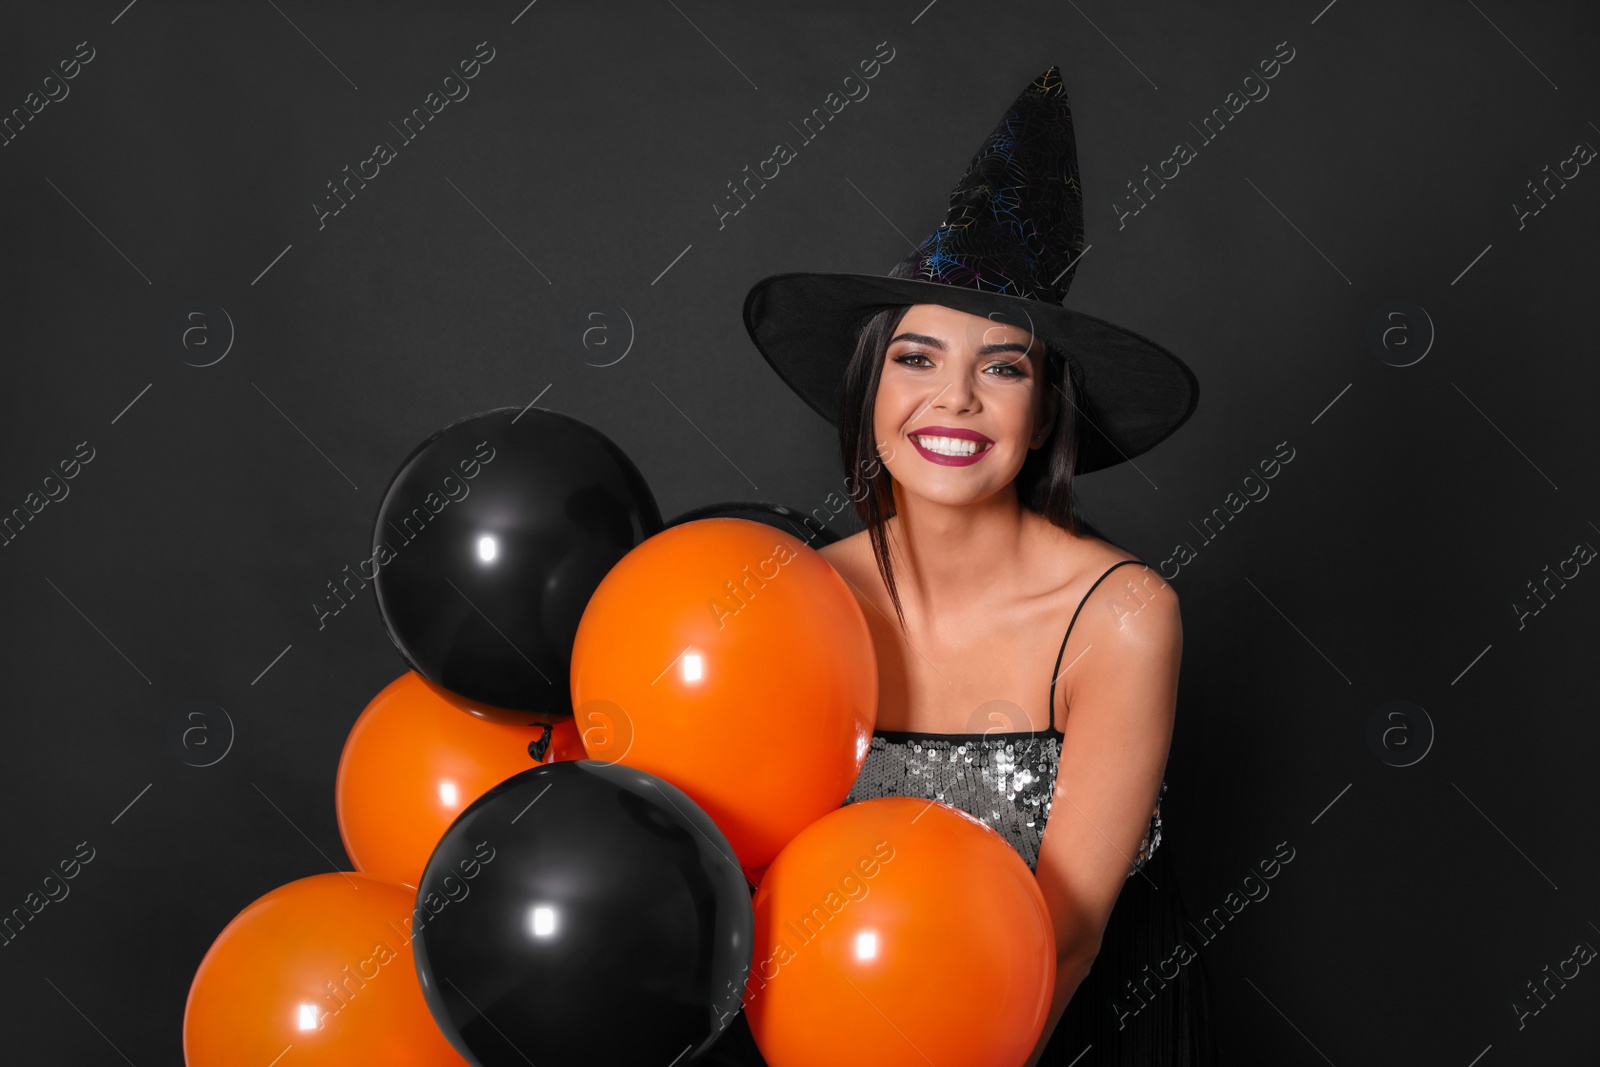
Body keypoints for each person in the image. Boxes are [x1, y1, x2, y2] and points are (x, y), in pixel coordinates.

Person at [709, 66, 1218, 1066]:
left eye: (1003, 364)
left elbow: (1066, 935)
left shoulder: (1121, 614)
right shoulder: (792, 596)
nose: (954, 399)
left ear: (1043, 416)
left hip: (1051, 1020)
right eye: (916, 357)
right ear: (866, 393)